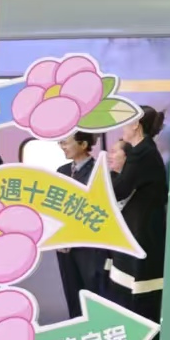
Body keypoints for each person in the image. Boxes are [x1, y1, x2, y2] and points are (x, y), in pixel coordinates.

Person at [106, 108, 168, 340]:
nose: (123, 125)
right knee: (143, 304)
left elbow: (120, 189)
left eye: (127, 120)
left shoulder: (141, 154)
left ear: (137, 125)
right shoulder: (145, 152)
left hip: (141, 241)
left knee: (138, 303)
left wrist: (105, 177)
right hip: (142, 239)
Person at [55, 131, 105, 320]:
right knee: (71, 291)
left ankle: (96, 327)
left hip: (88, 245)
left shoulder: (98, 171)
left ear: (83, 145)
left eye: (66, 142)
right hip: (64, 244)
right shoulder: (62, 171)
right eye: (61, 143)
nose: (63, 147)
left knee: (91, 291)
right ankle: (76, 325)